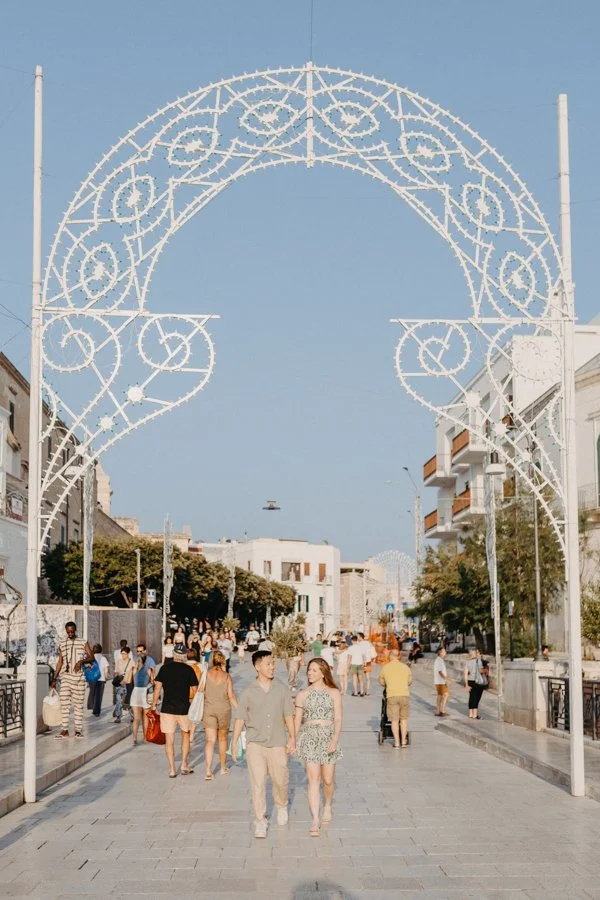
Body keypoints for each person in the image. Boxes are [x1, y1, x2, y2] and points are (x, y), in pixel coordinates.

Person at [231, 650, 295, 839]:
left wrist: (292, 737)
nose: (272, 667)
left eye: (273, 663)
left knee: (280, 780)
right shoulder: (248, 692)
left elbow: (288, 715)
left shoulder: (282, 689)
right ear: (257, 666)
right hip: (255, 744)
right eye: (268, 664)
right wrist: (234, 742)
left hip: (277, 742)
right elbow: (240, 718)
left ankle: (281, 805)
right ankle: (260, 820)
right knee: (257, 783)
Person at [295, 658, 343, 837]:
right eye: (309, 669)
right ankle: (315, 819)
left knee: (328, 780)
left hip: (328, 736)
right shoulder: (302, 694)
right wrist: (293, 739)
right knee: (313, 779)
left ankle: (328, 804)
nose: (310, 673)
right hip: (309, 737)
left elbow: (338, 718)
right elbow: (297, 719)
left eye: (314, 670)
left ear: (323, 673)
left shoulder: (334, 692)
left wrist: (335, 739)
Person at [151, 647, 199, 777]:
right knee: (185, 736)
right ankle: (184, 764)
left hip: (167, 708)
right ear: (184, 656)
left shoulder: (164, 668)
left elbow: (157, 688)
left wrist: (154, 705)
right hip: (184, 709)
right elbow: (195, 691)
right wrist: (197, 707)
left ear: (173, 654)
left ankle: (172, 769)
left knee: (169, 739)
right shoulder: (188, 669)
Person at [51, 621, 94, 739]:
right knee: (64, 703)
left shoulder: (83, 642)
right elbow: (60, 662)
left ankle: (78, 730)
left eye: (72, 631)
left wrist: (81, 661)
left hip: (79, 678)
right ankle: (64, 730)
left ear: (75, 630)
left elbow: (91, 657)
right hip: (66, 677)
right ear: (66, 631)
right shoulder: (62, 643)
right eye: (68, 632)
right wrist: (54, 679)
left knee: (78, 705)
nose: (70, 634)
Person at [202, 649, 238, 779]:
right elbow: (231, 696)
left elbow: (200, 692)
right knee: (223, 739)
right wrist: (239, 710)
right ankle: (223, 768)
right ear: (222, 660)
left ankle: (208, 771)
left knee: (210, 740)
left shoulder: (206, 674)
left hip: (209, 710)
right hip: (224, 710)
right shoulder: (227, 676)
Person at [378, 648, 412, 749]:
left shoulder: (385, 668)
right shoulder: (405, 667)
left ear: (390, 656)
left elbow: (382, 682)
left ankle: (397, 743)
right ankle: (404, 742)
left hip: (392, 695)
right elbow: (409, 681)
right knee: (404, 719)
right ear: (399, 656)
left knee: (394, 720)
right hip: (404, 695)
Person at [130, 643, 156, 744]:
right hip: (145, 692)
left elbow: (131, 677)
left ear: (145, 651)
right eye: (138, 651)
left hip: (136, 692)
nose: (139, 653)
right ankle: (145, 738)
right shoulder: (148, 666)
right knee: (145, 717)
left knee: (136, 718)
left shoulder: (135, 664)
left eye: (141, 651)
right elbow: (153, 679)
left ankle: (134, 738)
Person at [87, 643, 109, 717]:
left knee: (92, 692)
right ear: (101, 650)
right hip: (101, 678)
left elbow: (88, 668)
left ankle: (91, 706)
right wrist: (105, 678)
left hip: (92, 678)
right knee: (98, 695)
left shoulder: (90, 658)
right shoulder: (103, 658)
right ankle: (96, 711)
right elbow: (106, 669)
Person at [465, 649, 487, 719]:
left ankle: (470, 714)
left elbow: (465, 674)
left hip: (470, 681)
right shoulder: (478, 661)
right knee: (476, 697)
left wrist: (466, 684)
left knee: (471, 697)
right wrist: (486, 670)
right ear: (475, 654)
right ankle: (475, 714)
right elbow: (480, 671)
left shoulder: (467, 662)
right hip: (477, 681)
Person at [113, 646, 134, 723]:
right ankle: (118, 717)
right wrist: (117, 678)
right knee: (119, 700)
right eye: (122, 653)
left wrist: (125, 680)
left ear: (128, 654)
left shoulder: (132, 662)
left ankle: (132, 716)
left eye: (124, 654)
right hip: (120, 683)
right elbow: (116, 671)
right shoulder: (119, 661)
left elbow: (131, 673)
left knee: (129, 700)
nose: (123, 655)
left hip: (128, 683)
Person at [434, 647, 449, 717]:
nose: (445, 652)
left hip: (441, 681)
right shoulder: (439, 660)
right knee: (445, 695)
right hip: (440, 681)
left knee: (440, 695)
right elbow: (440, 671)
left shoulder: (440, 660)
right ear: (440, 652)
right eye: (444, 651)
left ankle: (439, 711)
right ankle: (442, 711)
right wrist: (446, 679)